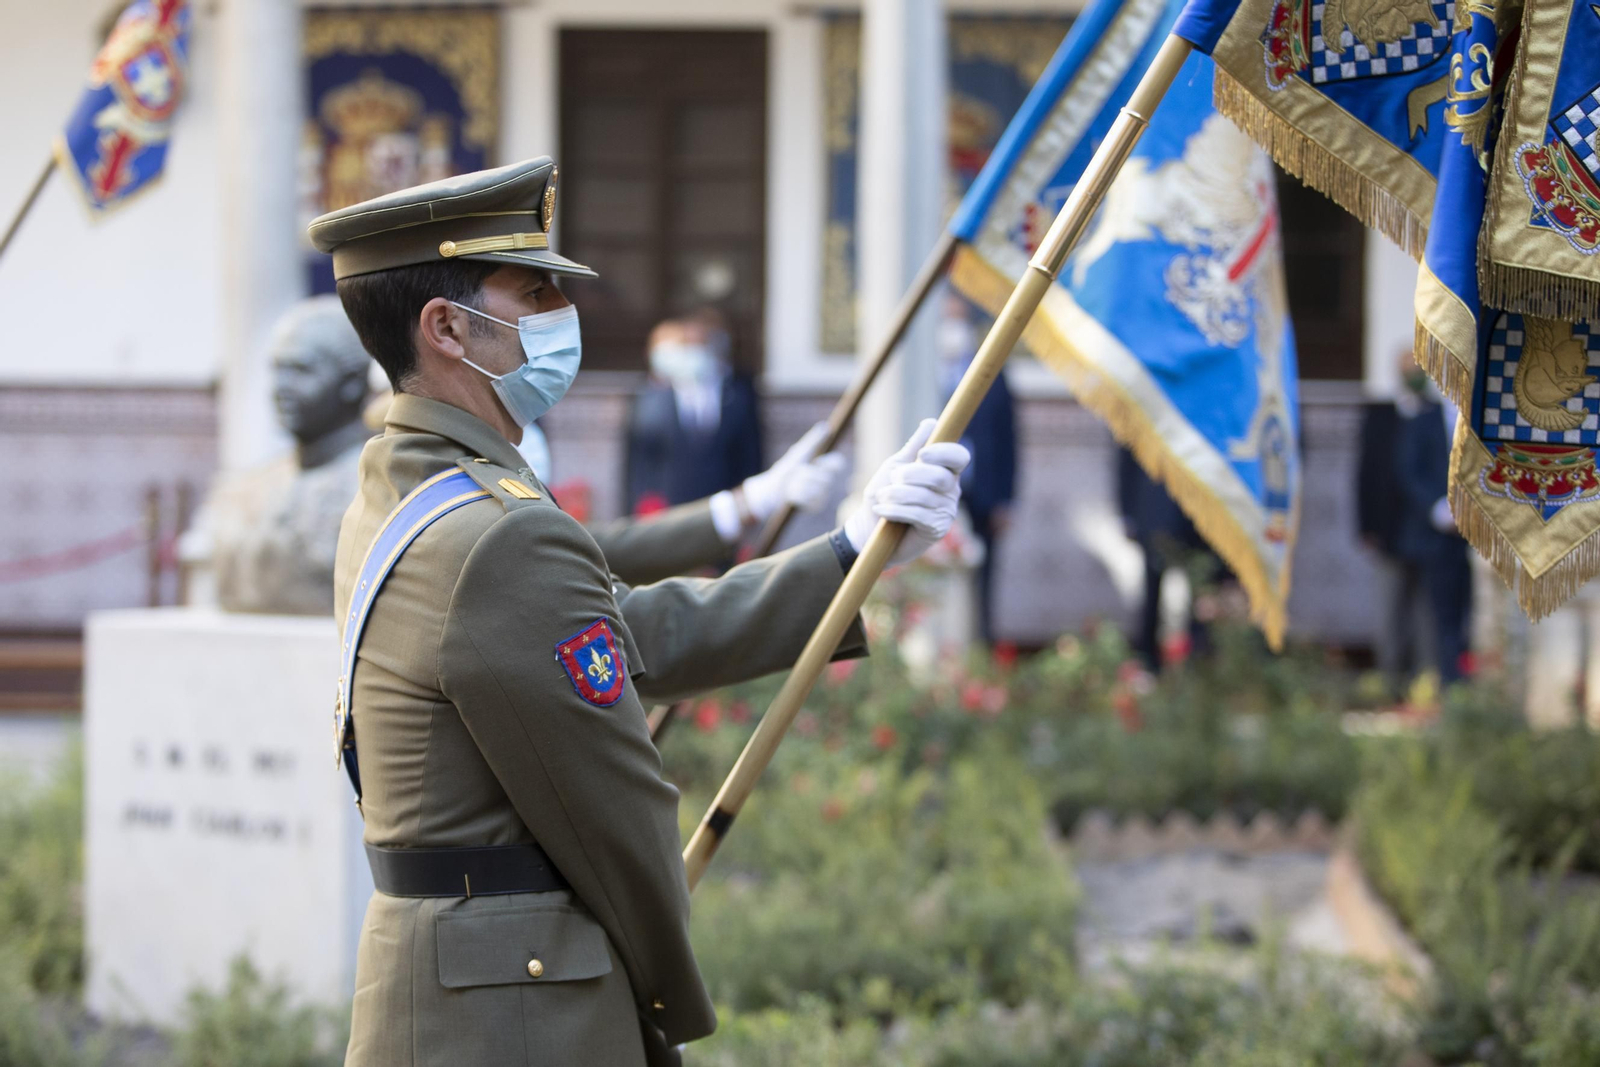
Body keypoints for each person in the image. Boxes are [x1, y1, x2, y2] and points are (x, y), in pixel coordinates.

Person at [308, 156, 969, 1067]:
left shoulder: (403, 493)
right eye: (532, 292)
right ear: (447, 328)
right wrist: (663, 989)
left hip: (447, 986)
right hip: (520, 1014)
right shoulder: (492, 531)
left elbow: (627, 631)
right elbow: (621, 807)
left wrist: (853, 553)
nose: (558, 314)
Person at [188, 296, 374, 614]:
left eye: (302, 369)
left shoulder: (377, 486)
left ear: (352, 383)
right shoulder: (240, 489)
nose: (281, 387)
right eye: (278, 370)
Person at [626, 311, 764, 514]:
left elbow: (749, 455)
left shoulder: (737, 394)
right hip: (667, 511)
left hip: (722, 509)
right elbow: (639, 460)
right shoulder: (652, 396)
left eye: (699, 346)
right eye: (687, 346)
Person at [1389, 354, 1473, 685]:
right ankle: (1450, 685)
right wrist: (1438, 508)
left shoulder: (1480, 422)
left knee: (1477, 615)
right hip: (1437, 536)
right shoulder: (1423, 420)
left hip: (1479, 536)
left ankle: (1474, 684)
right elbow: (1409, 471)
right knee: (1442, 615)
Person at [939, 308, 1017, 643]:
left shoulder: (992, 371)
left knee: (984, 576)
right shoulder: (928, 371)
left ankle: (982, 646)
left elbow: (1008, 439)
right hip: (941, 489)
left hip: (982, 491)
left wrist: (1005, 499)